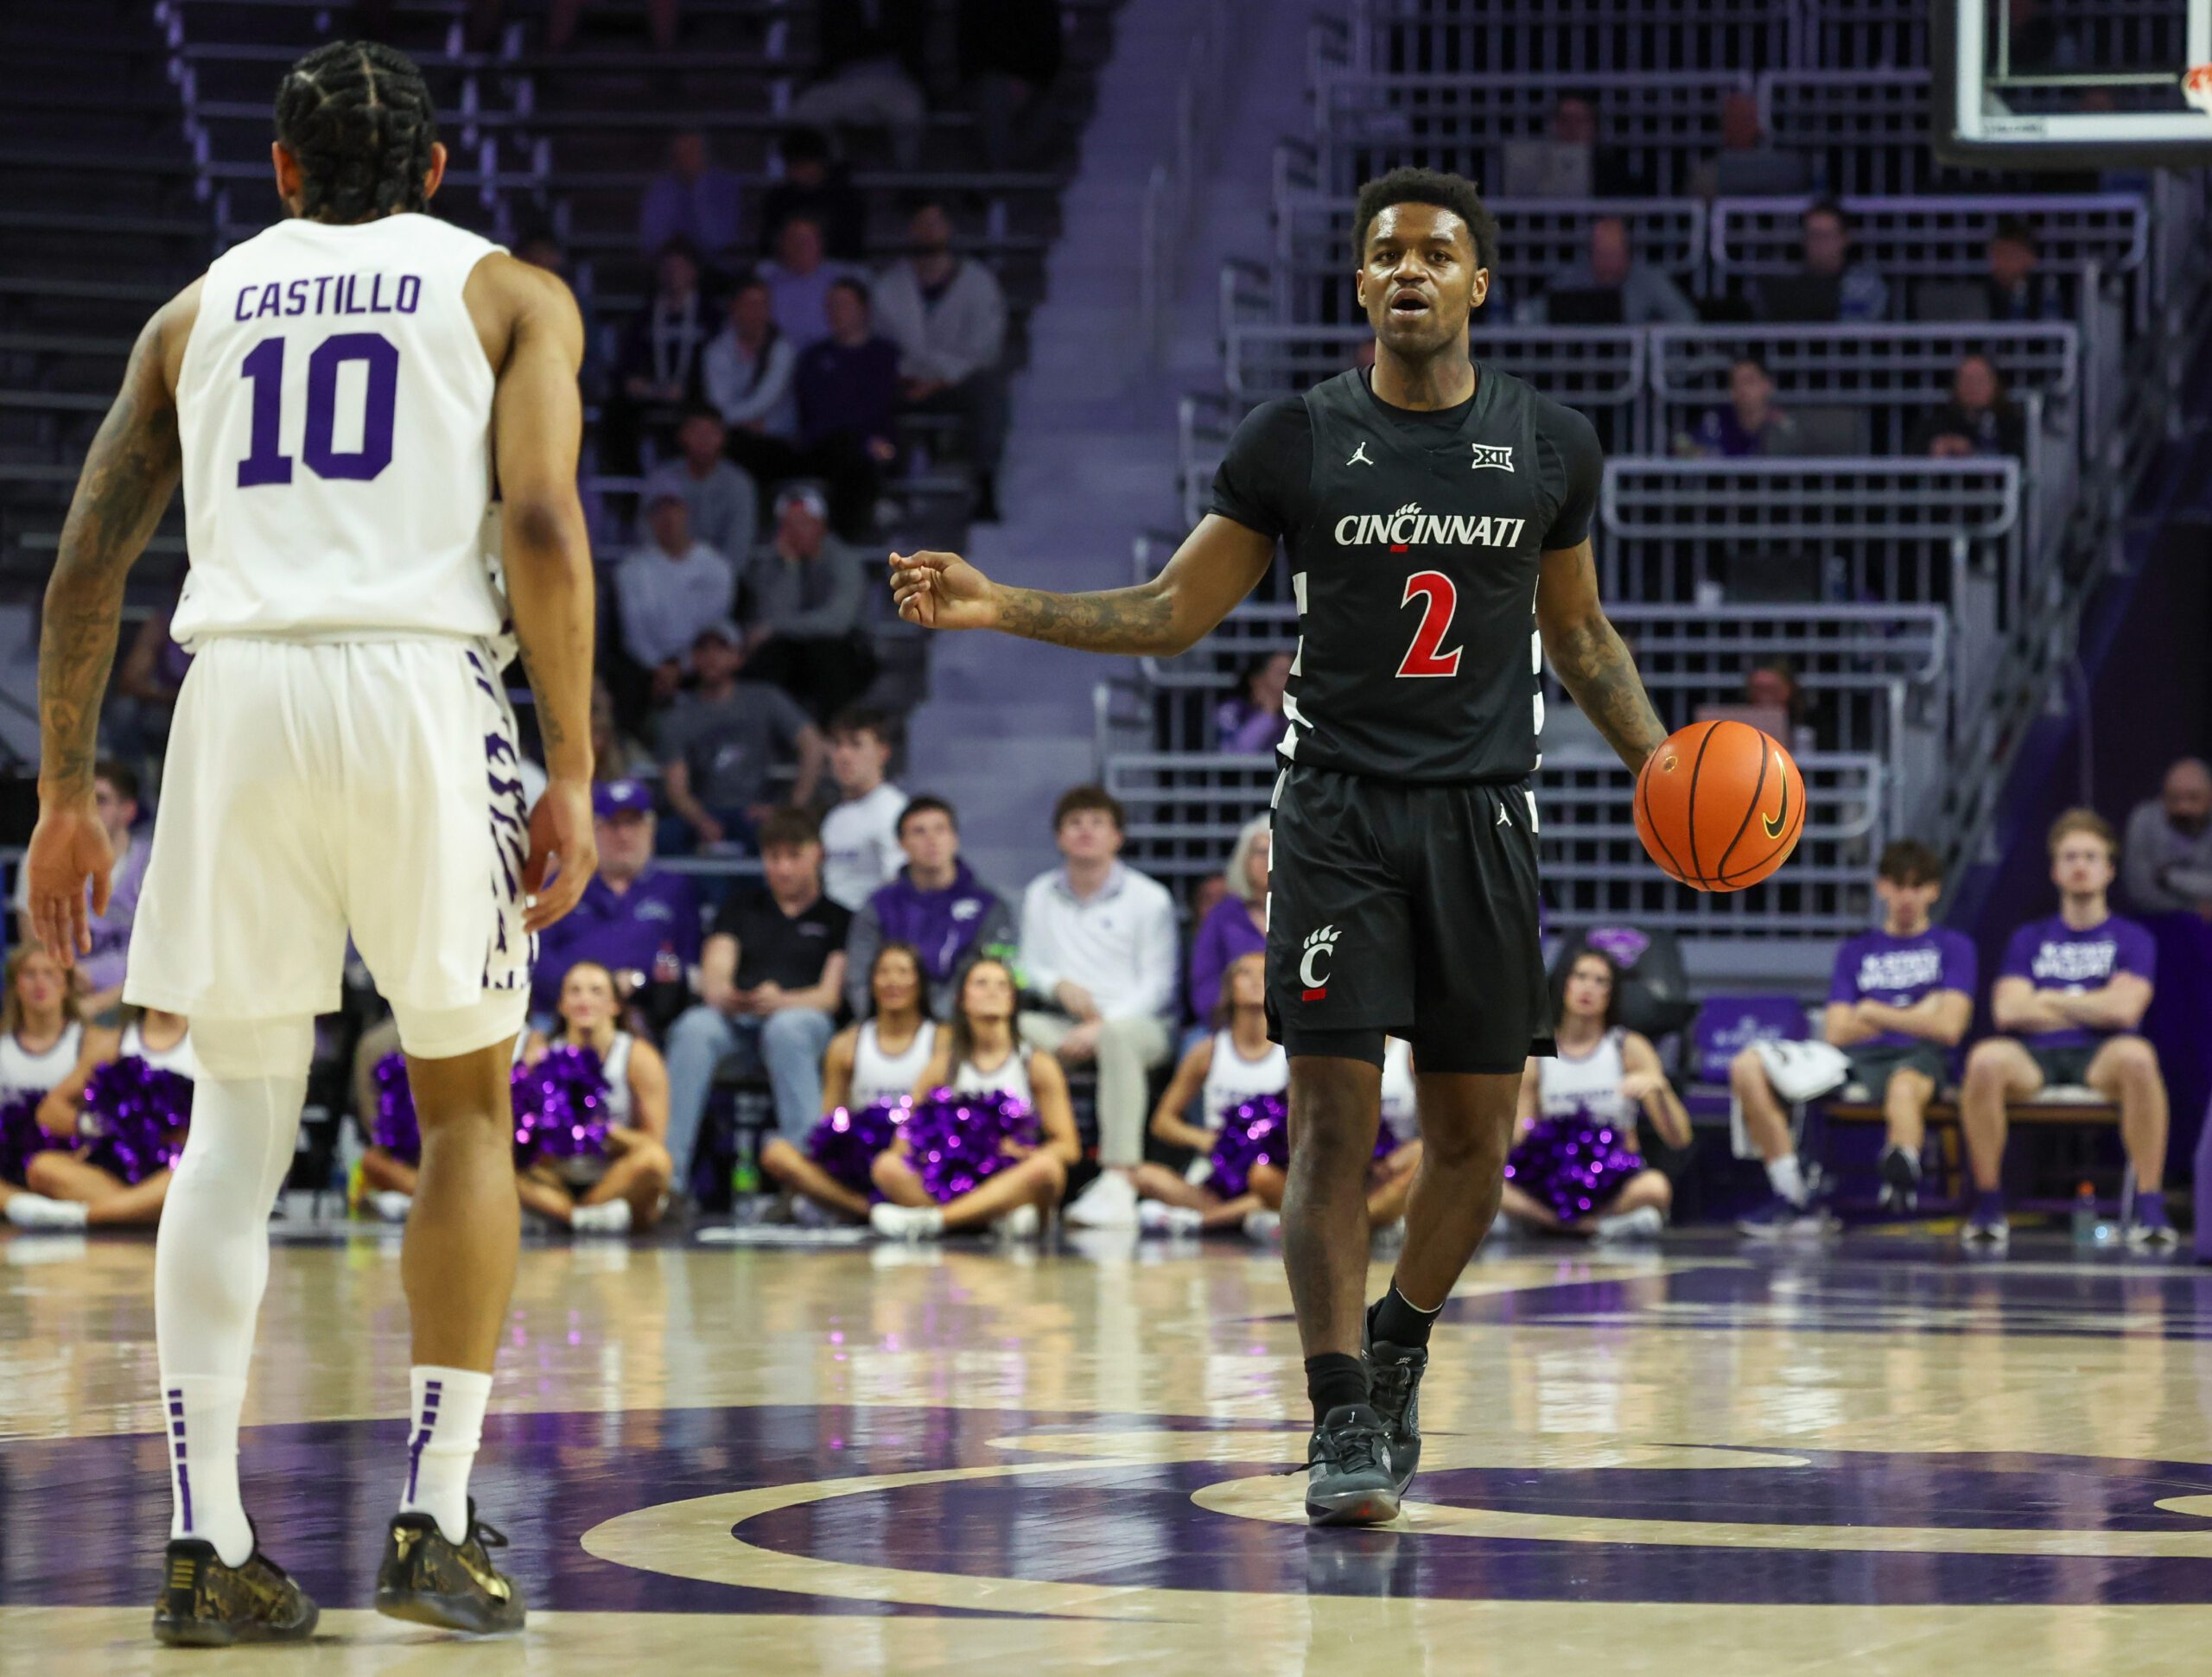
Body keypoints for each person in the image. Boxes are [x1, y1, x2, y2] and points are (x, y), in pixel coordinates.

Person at [889, 165, 1665, 1526]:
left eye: (1437, 253)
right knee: (1330, 1124)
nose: (1411, 271)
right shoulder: (1297, 438)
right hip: (1338, 817)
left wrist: (1662, 767)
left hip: (1488, 817)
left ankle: (1402, 1335)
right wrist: (998, 600)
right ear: (1360, 286)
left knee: (1478, 1144)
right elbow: (1171, 612)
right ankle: (1340, 1412)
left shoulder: (1550, 443)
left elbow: (1580, 632)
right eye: (1387, 256)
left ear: (1478, 282)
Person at [26, 41, 598, 1637]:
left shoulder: (194, 311)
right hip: (421, 687)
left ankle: (206, 1544)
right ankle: (431, 1516)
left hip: (239, 701)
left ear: (277, 172)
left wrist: (67, 797)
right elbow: (543, 522)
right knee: (467, 1105)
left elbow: (84, 571)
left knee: (233, 1126)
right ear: (432, 174)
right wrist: (574, 758)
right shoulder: (506, 293)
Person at [1732, 838, 1975, 1236]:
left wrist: (1873, 1010)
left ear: (1934, 890)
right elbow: (1837, 1030)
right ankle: (1790, 1191)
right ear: (1882, 888)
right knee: (1747, 1065)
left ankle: (1901, 1170)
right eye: (1898, 885)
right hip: (1853, 1061)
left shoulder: (1954, 947)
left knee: (1903, 1086)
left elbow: (1949, 1028)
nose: (1906, 896)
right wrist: (1919, 1011)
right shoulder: (1856, 950)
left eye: (1917, 886)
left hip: (1921, 1058)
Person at [1960, 810, 2176, 1251]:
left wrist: (2047, 999)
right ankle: (1988, 1204)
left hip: (2103, 1056)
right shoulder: (2028, 938)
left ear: (2109, 870)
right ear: (2056, 869)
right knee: (1984, 1059)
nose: (2080, 866)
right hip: (2034, 1058)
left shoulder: (2133, 938)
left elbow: (2124, 1012)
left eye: (2091, 857)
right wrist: (2092, 1002)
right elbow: (2007, 1011)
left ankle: (2150, 1207)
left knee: (2139, 1056)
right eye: (2071, 856)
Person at [1016, 786, 1179, 1229]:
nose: (1085, 831)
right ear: (1059, 837)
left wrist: (1105, 1024)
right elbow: (1026, 966)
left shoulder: (1150, 898)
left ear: (1117, 837)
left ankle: (1118, 1178)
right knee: (1010, 1030)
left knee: (1118, 1038)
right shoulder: (1039, 894)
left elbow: (1159, 985)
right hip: (1063, 1022)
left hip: (1139, 1025)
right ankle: (1016, 1168)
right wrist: (1055, 984)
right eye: (1075, 823)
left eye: (1097, 823)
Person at [661, 809, 850, 1189]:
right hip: (739, 1021)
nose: (782, 868)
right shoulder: (740, 907)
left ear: (818, 855)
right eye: (773, 858)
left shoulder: (838, 918)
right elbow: (716, 968)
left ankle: (808, 1181)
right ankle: (668, 1181)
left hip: (804, 1022)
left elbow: (829, 996)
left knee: (788, 1029)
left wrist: (783, 1001)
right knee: (694, 1028)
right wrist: (726, 993)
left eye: (793, 856)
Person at [868, 956, 1080, 1238]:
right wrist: (936, 1154)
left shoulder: (1036, 1064)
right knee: (886, 1166)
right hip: (951, 1181)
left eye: (1002, 985)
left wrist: (1026, 1152)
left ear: (1013, 1001)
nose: (992, 991)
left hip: (1012, 1175)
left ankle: (935, 1222)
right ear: (961, 999)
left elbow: (1068, 1147)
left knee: (1047, 1169)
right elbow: (902, 1142)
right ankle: (987, 1217)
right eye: (981, 983)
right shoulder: (942, 1067)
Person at [1498, 950, 1688, 1241]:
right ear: (1565, 984)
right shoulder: (1536, 1053)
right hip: (1552, 1180)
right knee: (1490, 1187)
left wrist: (1659, 1087)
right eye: (1581, 977)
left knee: (1656, 1187)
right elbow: (1520, 1135)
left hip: (1613, 1180)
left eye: (1601, 981)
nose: (1589, 987)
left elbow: (1678, 1139)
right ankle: (1581, 1226)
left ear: (1612, 995)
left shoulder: (1628, 1047)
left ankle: (1561, 1226)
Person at [760, 940, 936, 1220]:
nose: (893, 981)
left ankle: (911, 1208)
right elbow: (829, 1121)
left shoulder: (940, 1040)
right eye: (884, 972)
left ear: (920, 982)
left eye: (903, 971)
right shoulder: (846, 1045)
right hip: (861, 1161)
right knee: (777, 1153)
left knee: (895, 1166)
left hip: (917, 1157)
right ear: (871, 981)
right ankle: (871, 1212)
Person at [871, 198, 1009, 521]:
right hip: (907, 381)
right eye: (920, 225)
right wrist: (915, 377)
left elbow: (984, 348)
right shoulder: (890, 287)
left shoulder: (979, 283)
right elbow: (884, 344)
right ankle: (885, 485)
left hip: (958, 381)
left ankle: (985, 486)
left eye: (934, 224)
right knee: (868, 383)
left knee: (989, 390)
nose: (927, 233)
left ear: (949, 230)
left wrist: (940, 379)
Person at [514, 962, 674, 1236]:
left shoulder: (637, 1056)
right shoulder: (541, 1055)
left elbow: (653, 1142)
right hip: (555, 1178)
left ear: (615, 1005)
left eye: (596, 991)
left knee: (655, 1162)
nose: (584, 999)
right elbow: (518, 1140)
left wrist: (601, 1131)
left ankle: (571, 1217)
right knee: (494, 1162)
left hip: (613, 1177)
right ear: (562, 1005)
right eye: (574, 991)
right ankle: (578, 1217)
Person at [1131, 953, 1285, 1234]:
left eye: (1264, 973)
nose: (1255, 982)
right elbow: (1162, 1122)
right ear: (1229, 987)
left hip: (1271, 1172)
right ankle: (1242, 1217)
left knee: (1278, 1186)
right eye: (1244, 974)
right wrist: (1205, 1140)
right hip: (1216, 1171)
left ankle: (1199, 1222)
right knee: (1144, 1175)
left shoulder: (1291, 1055)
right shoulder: (1208, 1051)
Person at [529, 780, 702, 1020]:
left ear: (650, 828)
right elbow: (538, 956)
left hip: (647, 1014)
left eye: (633, 823)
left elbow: (687, 964)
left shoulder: (674, 888)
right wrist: (590, 992)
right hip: (565, 1013)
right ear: (593, 831)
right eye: (612, 825)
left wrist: (640, 981)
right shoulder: (564, 883)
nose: (623, 835)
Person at [21, 1006, 202, 1229]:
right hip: (115, 1171)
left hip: (172, 1169)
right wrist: (103, 1125)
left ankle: (83, 1216)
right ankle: (142, 1212)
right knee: (42, 1167)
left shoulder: (204, 1045)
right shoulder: (115, 1042)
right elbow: (48, 1111)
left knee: (192, 1174)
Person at [654, 624, 825, 852]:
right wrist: (701, 820)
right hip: (702, 811)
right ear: (693, 658)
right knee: (662, 837)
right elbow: (677, 787)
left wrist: (790, 808)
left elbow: (812, 744)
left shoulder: (765, 698)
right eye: (703, 649)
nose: (711, 657)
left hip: (754, 811)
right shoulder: (678, 714)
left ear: (738, 657)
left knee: (787, 836)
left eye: (721, 648)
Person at [844, 796, 1017, 1018]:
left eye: (941, 829)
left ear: (955, 839)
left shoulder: (989, 905)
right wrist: (887, 1021)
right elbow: (858, 977)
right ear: (901, 844)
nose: (932, 839)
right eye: (919, 832)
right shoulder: (878, 905)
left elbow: (991, 974)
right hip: (889, 1024)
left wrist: (932, 1026)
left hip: (962, 1028)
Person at [12, 759, 147, 1020]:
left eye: (101, 800)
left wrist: (100, 1004)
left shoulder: (154, 865)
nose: (88, 810)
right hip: (62, 998)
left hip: (134, 1003)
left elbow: (165, 957)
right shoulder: (40, 860)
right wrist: (69, 977)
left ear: (128, 811)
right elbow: (33, 947)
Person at [742, 482, 878, 720]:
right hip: (794, 650)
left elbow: (837, 622)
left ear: (821, 525)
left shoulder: (844, 560)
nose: (795, 532)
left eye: (803, 523)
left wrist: (778, 627)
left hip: (845, 649)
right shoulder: (774, 564)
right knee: (768, 657)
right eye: (788, 525)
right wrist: (790, 569)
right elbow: (769, 617)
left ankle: (834, 733)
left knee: (825, 653)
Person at [792, 277, 900, 537]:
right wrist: (863, 442)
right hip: (825, 448)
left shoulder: (885, 355)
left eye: (843, 305)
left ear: (864, 310)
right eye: (830, 305)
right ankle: (849, 537)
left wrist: (872, 443)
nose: (835, 312)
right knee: (848, 452)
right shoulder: (813, 358)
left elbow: (883, 406)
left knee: (874, 457)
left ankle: (854, 537)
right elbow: (817, 413)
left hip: (876, 448)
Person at [615, 491, 738, 701]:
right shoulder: (630, 571)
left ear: (687, 513)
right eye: (659, 512)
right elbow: (634, 633)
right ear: (649, 520)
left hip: (701, 663)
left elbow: (716, 628)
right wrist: (659, 668)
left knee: (720, 658)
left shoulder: (717, 567)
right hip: (648, 667)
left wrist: (684, 666)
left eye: (674, 509)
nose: (667, 518)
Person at [0, 945, 89, 1229]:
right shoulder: (2, 1048)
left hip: (70, 1164)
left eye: (50, 974)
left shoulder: (89, 1042)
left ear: (66, 985)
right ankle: (21, 1206)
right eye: (29, 974)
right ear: (15, 986)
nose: (40, 983)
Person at [607, 237, 714, 470]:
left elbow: (718, 363)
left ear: (694, 272)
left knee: (706, 412)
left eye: (680, 268)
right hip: (651, 391)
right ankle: (629, 488)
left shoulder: (710, 316)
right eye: (668, 269)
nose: (674, 275)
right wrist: (634, 382)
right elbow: (627, 360)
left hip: (695, 394)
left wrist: (688, 387)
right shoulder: (645, 315)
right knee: (616, 412)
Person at [789, 0, 929, 172]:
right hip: (845, 80)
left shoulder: (906, 5)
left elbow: (914, 42)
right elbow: (830, 46)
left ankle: (907, 181)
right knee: (806, 112)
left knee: (909, 115)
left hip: (893, 79)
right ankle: (835, 175)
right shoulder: (835, 5)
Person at [702, 274, 802, 458]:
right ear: (734, 308)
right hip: (731, 437)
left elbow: (765, 400)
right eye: (748, 304)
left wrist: (726, 420)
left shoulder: (783, 349)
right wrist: (736, 423)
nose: (755, 312)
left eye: (761, 305)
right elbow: (717, 401)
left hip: (776, 436)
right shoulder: (717, 350)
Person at [1531, 217, 1696, 327]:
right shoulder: (1571, 278)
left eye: (1612, 254)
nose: (1607, 261)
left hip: (1634, 369)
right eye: (1601, 254)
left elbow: (1686, 317)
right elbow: (1533, 314)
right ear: (1591, 253)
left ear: (1626, 252)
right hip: (1578, 368)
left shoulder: (1649, 279)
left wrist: (1650, 331)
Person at [819, 708, 908, 911]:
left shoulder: (894, 811)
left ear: (883, 753)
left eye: (856, 744)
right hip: (836, 927)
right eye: (837, 745)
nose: (843, 755)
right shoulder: (834, 817)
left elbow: (901, 888)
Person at [957, 0, 1063, 169]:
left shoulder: (1042, 6)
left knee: (1049, 109)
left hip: (1034, 83)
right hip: (984, 82)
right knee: (992, 97)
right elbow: (968, 50)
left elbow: (1050, 49)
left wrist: (1027, 83)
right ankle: (1007, 177)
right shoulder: (975, 6)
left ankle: (1010, 178)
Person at [645, 406, 758, 562]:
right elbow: (646, 537)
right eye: (696, 431)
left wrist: (715, 578)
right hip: (664, 577)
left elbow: (739, 547)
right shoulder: (661, 479)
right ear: (682, 435)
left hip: (722, 579)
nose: (703, 439)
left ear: (723, 437)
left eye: (711, 432)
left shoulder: (739, 483)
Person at [1186, 816, 1268, 1028]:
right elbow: (1204, 984)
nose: (1269, 859)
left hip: (1296, 1031)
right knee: (1194, 1048)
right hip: (1230, 1025)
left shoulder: (1307, 914)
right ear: (1244, 859)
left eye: (1278, 849)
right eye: (1260, 851)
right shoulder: (1222, 916)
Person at [1758, 200, 1888, 323]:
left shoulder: (1866, 285)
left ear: (1845, 239)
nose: (1820, 243)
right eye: (1814, 235)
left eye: (1826, 235)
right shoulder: (1786, 288)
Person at [757, 126, 867, 260]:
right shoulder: (779, 198)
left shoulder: (847, 198)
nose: (795, 172)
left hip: (836, 265)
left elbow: (852, 247)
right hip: (787, 266)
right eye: (791, 165)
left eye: (802, 165)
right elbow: (768, 244)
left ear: (820, 163)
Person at [637, 129, 742, 268]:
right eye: (680, 154)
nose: (685, 159)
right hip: (672, 268)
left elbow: (721, 239)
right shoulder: (660, 190)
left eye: (691, 152)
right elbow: (652, 241)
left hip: (715, 268)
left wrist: (698, 194)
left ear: (704, 155)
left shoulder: (724, 187)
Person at [2122, 758, 2212, 917]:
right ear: (2162, 798)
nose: (2184, 807)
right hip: (2158, 920)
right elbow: (2140, 890)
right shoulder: (2144, 820)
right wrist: (2194, 910)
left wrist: (2168, 877)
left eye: (2193, 797)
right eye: (2174, 798)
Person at [760, 214, 857, 356]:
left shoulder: (841, 279)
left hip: (831, 358)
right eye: (794, 240)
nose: (801, 247)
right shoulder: (767, 281)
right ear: (781, 245)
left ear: (821, 243)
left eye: (807, 240)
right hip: (779, 361)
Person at [1910, 353, 2026, 460]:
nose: (1972, 387)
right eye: (1966, 380)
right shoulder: (1936, 425)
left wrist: (1972, 452)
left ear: (1995, 384)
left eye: (1980, 380)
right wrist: (1934, 451)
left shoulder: (2014, 425)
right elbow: (1911, 461)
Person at [1687, 355, 1802, 459]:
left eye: (1750, 382)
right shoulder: (1715, 423)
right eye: (1736, 383)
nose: (1743, 390)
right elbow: (1688, 451)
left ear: (1767, 385)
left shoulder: (1785, 425)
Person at [1215, 650, 1291, 754]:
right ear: (1258, 680)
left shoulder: (1296, 710)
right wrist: (1269, 713)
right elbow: (1237, 752)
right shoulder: (1232, 710)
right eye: (1283, 673)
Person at [1985, 219, 2063, 322]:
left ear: (2030, 258)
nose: (1998, 264)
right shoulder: (1984, 294)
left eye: (2006, 255)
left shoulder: (2048, 290)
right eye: (1994, 256)